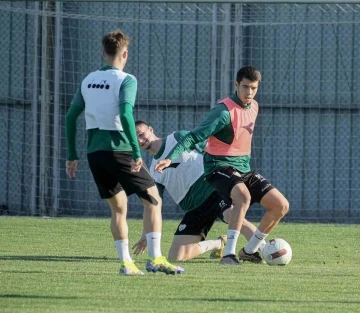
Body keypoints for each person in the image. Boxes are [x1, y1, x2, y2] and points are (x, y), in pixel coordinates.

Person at [65, 29, 184, 275]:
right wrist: (135, 151)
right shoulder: (126, 79)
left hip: (95, 154)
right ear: (125, 54)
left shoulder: (88, 80)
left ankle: (126, 263)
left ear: (103, 53)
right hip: (119, 151)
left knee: (118, 209)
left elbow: (70, 116)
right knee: (154, 199)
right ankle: (155, 258)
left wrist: (71, 154)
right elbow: (127, 114)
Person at [155, 65, 289, 265]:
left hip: (243, 169)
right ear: (236, 84)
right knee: (242, 196)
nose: (249, 92)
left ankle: (249, 250)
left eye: (253, 88)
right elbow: (194, 136)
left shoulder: (254, 107)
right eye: (245, 87)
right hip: (217, 167)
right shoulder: (222, 111)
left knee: (281, 206)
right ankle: (228, 254)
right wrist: (170, 157)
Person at [132, 121, 266, 262]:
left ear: (150, 129)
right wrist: (145, 235)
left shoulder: (178, 137)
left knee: (231, 215)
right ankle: (219, 243)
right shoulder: (154, 171)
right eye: (136, 139)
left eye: (141, 134)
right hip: (194, 209)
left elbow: (212, 150)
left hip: (214, 191)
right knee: (176, 256)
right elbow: (153, 205)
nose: (141, 140)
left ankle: (267, 249)